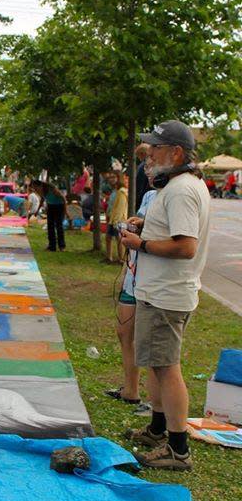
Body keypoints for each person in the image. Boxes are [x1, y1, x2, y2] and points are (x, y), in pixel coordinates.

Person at [120, 120, 211, 471]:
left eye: (155, 148)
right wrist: (147, 226)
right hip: (160, 292)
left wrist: (140, 243)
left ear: (175, 153)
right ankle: (158, 429)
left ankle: (177, 447)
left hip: (166, 295)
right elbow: (175, 231)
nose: (149, 155)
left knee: (167, 368)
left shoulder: (180, 190)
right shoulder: (178, 187)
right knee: (157, 365)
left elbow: (186, 246)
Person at [105, 167, 157, 411]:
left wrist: (142, 236)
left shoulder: (177, 195)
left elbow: (180, 242)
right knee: (124, 331)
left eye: (151, 158)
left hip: (154, 280)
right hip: (134, 274)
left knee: (153, 345)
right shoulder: (149, 196)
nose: (147, 167)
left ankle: (159, 411)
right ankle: (130, 390)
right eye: (145, 161)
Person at [105, 170, 128, 263]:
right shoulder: (115, 190)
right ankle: (109, 257)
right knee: (108, 237)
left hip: (118, 219)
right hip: (112, 218)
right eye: (110, 177)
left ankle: (121, 259)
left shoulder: (122, 191)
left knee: (119, 239)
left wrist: (116, 221)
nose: (111, 179)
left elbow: (120, 207)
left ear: (119, 178)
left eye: (114, 177)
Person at [40, 181, 68, 251]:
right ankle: (52, 246)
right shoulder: (42, 191)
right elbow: (43, 199)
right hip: (51, 206)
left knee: (59, 226)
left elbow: (63, 199)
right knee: (50, 226)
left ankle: (62, 246)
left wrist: (65, 211)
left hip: (59, 206)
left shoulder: (52, 189)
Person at [134, 143, 150, 211]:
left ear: (142, 154)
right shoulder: (149, 165)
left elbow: (139, 188)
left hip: (143, 202)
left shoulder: (142, 167)